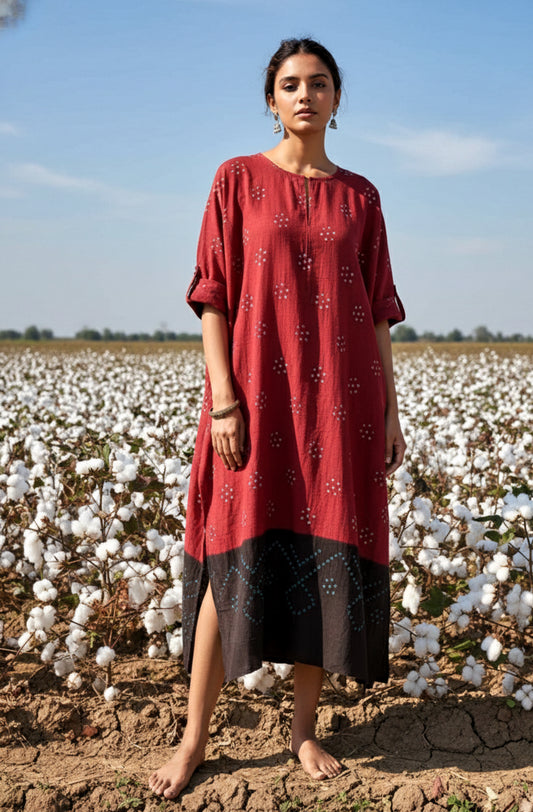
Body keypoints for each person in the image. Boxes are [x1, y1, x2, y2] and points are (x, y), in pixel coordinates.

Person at [149, 37, 406, 801]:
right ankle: (194, 737)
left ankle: (301, 731)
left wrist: (391, 409)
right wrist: (223, 398)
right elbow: (212, 294)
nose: (304, 95)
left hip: (341, 410)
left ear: (336, 98)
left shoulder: (361, 197)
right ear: (270, 98)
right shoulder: (235, 181)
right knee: (231, 558)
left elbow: (379, 312)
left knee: (325, 562)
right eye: (290, 84)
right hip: (254, 403)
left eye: (319, 83)